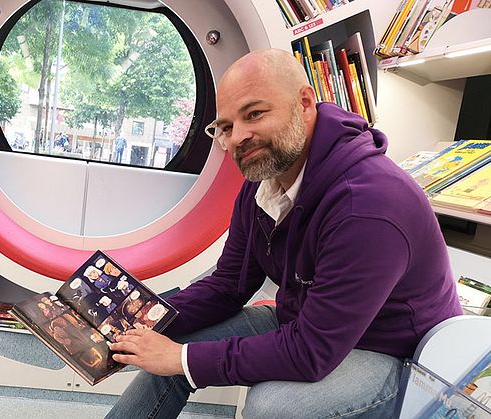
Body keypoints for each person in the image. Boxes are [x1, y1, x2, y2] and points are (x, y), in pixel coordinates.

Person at [106, 48, 462, 418]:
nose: (238, 137)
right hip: (307, 323)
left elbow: (311, 352)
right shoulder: (263, 181)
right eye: (225, 127)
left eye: (255, 114)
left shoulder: (370, 205)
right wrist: (142, 320)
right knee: (164, 346)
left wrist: (180, 358)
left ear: (305, 103)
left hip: (399, 357)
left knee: (273, 407)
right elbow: (229, 285)